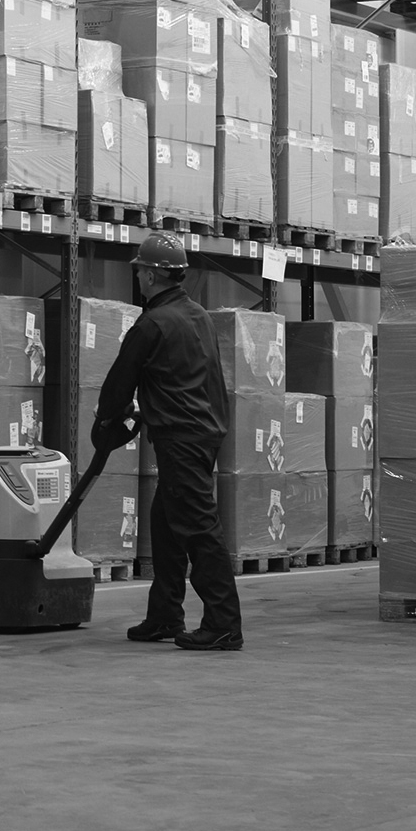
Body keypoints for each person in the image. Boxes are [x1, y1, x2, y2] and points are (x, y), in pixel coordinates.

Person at [91, 231, 242, 651]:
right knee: (166, 523)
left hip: (181, 437)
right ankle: (164, 615)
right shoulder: (197, 315)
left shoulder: (152, 324)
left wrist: (107, 420)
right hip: (204, 432)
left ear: (154, 275)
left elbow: (120, 383)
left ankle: (224, 623)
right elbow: (191, 377)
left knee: (198, 530)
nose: (137, 275)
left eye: (140, 269)